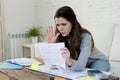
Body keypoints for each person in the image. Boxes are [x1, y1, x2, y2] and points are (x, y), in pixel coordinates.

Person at [44, 6, 110, 72]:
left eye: (64, 24)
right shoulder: (61, 36)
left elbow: (80, 65)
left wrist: (69, 60)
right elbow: (56, 62)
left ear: (72, 22)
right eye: (58, 25)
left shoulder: (85, 36)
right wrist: (52, 45)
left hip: (97, 61)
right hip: (80, 64)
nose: (60, 29)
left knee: (92, 76)